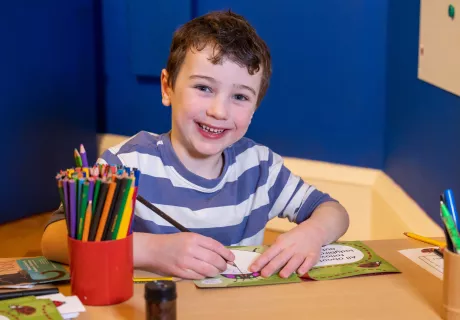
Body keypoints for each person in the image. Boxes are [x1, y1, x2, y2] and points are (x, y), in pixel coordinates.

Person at [41, 10, 349, 280]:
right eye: (203, 87)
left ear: (255, 107)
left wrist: (313, 233)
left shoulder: (260, 168)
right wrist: (150, 250)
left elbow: (333, 211)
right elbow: (53, 239)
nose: (219, 111)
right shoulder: (126, 165)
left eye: (240, 96)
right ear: (167, 87)